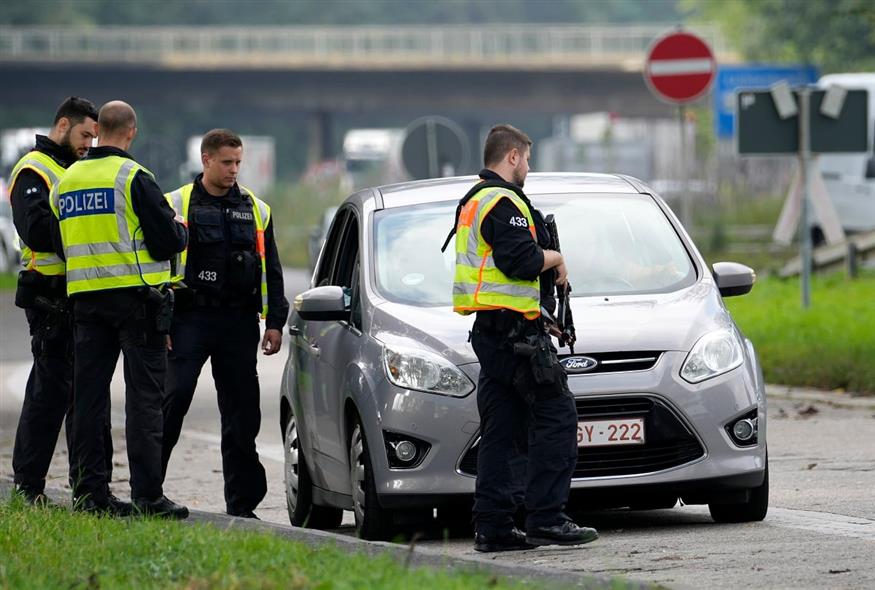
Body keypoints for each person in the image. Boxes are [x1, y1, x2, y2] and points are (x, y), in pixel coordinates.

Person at [449, 124, 598, 552]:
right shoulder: (502, 200)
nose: (529, 168)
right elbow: (521, 260)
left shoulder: (476, 199)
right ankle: (548, 519)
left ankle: (493, 527)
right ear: (512, 156)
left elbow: (500, 275)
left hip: (496, 332)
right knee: (557, 416)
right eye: (527, 159)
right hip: (515, 337)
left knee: (502, 429)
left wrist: (541, 313)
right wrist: (558, 258)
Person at [51, 100, 189, 518]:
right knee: (144, 400)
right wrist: (180, 229)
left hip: (85, 302)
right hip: (136, 301)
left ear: (97, 132)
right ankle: (148, 496)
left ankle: (90, 495)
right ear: (131, 132)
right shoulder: (133, 177)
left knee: (89, 402)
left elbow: (61, 244)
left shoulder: (67, 180)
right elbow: (167, 240)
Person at [161, 129, 289, 519]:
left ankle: (242, 505)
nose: (234, 170)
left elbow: (271, 270)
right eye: (227, 162)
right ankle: (147, 490)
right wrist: (161, 323)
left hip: (237, 320)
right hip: (189, 318)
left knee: (242, 414)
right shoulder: (175, 204)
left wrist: (275, 322)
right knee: (173, 399)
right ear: (206, 160)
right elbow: (159, 268)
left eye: (238, 162)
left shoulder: (256, 208)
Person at [9, 97, 114, 506]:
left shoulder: (75, 170)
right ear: (63, 125)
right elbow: (35, 229)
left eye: (95, 136)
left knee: (85, 394)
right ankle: (28, 486)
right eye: (85, 134)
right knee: (49, 392)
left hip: (78, 293)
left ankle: (89, 489)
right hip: (48, 294)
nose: (90, 143)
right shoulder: (34, 168)